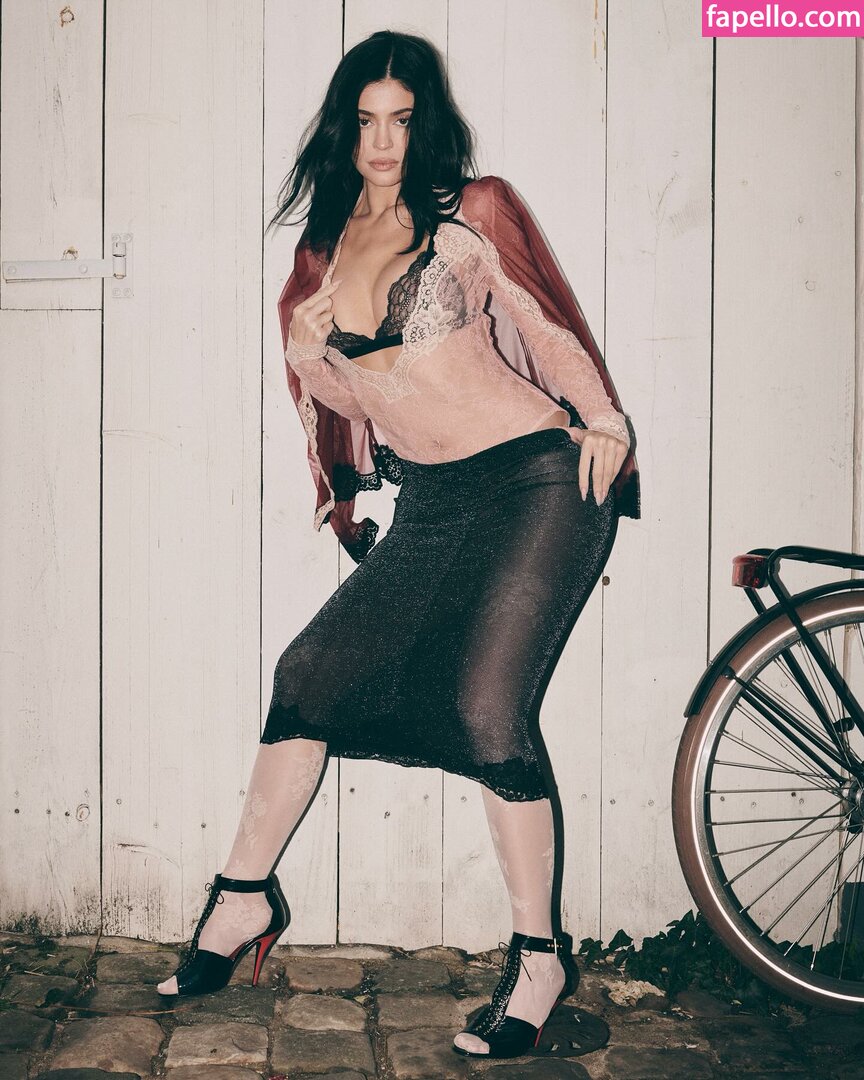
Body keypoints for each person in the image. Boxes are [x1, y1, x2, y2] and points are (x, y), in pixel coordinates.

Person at [157, 29, 641, 1062]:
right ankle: (242, 899)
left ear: (428, 126)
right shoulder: (321, 252)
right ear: (345, 129)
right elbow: (349, 402)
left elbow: (546, 327)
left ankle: (539, 959)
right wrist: (322, 411)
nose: (384, 141)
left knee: (486, 710)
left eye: (403, 119)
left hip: (538, 483)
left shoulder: (475, 212)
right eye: (367, 120)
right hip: (431, 505)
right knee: (308, 675)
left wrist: (603, 417)